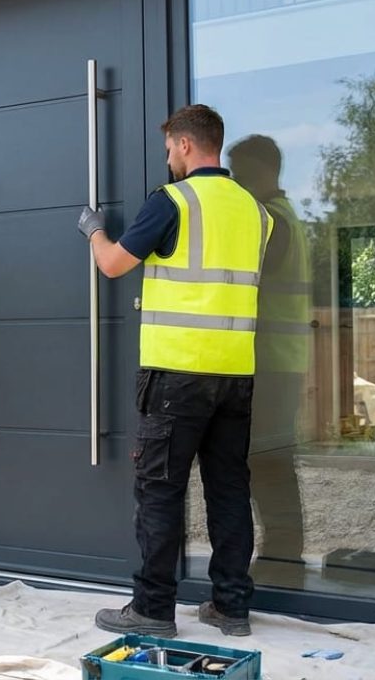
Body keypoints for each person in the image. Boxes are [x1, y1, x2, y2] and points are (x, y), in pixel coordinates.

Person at [78, 105, 272, 637]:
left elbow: (114, 263)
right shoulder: (256, 212)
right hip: (234, 374)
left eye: (169, 149)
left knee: (160, 490)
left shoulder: (174, 201)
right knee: (228, 489)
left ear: (186, 145)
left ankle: (152, 609)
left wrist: (94, 230)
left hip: (177, 373)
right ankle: (231, 607)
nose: (167, 159)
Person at [227, 134, 313, 590]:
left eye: (240, 174)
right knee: (269, 459)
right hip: (279, 360)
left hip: (272, 362)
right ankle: (282, 557)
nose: (236, 183)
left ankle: (282, 559)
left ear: (264, 171)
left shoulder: (274, 223)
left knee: (269, 461)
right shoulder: (285, 218)